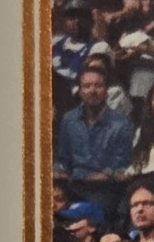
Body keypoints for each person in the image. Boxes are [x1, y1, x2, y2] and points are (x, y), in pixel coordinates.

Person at [54, 59, 135, 217]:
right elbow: (63, 158)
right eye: (87, 86)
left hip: (104, 189)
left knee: (85, 213)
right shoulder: (69, 119)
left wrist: (106, 174)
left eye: (98, 86)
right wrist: (58, 170)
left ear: (106, 91)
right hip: (72, 185)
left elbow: (121, 163)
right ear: (80, 91)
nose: (92, 90)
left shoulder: (122, 124)